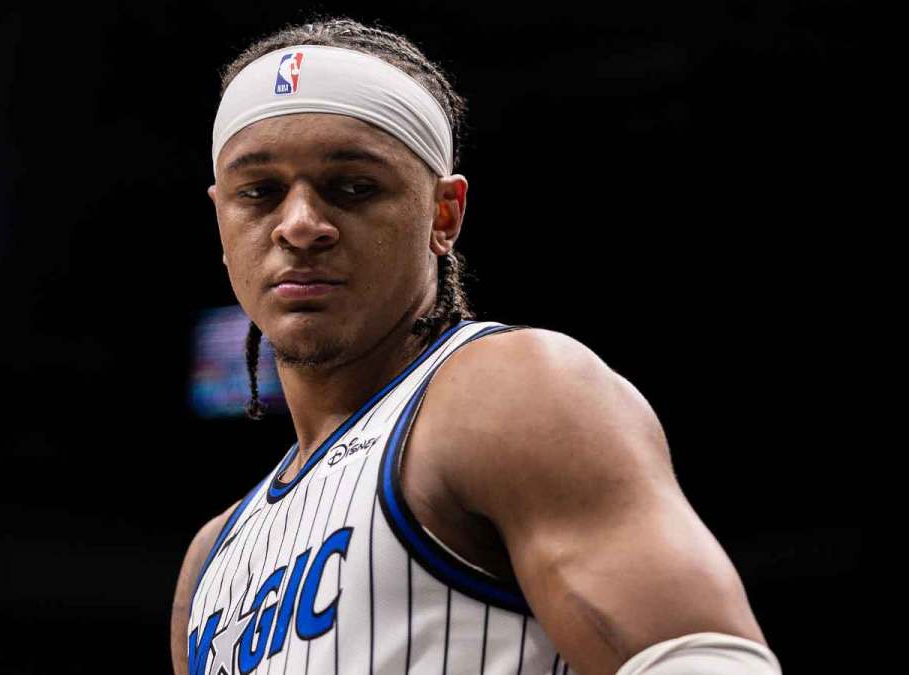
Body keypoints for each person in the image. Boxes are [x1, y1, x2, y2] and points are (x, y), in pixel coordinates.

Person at [171, 17, 780, 675]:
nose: (299, 224)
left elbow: (702, 658)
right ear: (220, 220)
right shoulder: (210, 561)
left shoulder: (513, 389)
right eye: (259, 192)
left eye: (353, 187)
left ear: (444, 215)